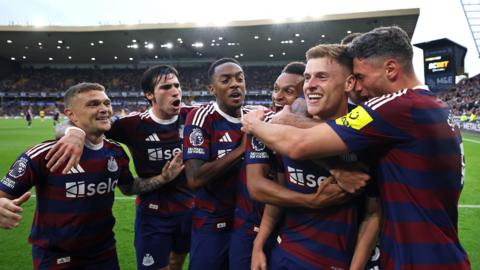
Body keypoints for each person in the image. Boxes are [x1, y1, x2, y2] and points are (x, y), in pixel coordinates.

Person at [242, 26, 471, 269]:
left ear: (391, 69)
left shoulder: (397, 106)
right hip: (437, 252)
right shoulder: (433, 106)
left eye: (360, 77)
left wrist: (255, 122)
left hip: (420, 259)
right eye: (308, 77)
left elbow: (299, 145)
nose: (358, 88)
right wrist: (337, 166)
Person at [0, 82, 184, 269]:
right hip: (56, 257)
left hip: (103, 253)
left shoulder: (116, 152)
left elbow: (129, 188)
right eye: (93, 104)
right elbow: (3, 195)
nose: (104, 109)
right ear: (70, 115)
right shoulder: (44, 154)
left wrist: (164, 178)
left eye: (107, 103)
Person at [44, 65, 194, 270]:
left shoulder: (195, 118)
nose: (175, 91)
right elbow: (72, 123)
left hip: (191, 208)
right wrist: (73, 132)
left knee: (177, 260)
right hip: (154, 213)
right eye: (166, 87)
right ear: (149, 94)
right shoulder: (132, 124)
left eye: (177, 85)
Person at [249, 44, 380, 270]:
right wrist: (258, 245)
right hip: (286, 254)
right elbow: (277, 194)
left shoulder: (367, 131)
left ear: (349, 83)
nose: (310, 85)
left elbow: (373, 214)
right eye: (308, 77)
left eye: (322, 77)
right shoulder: (279, 131)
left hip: (337, 260)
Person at [183, 58, 247, 270]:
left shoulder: (255, 119)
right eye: (226, 80)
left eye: (239, 78)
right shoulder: (201, 117)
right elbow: (195, 178)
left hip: (248, 220)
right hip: (212, 220)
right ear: (213, 88)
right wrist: (241, 150)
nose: (235, 84)